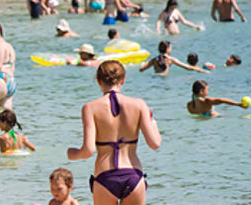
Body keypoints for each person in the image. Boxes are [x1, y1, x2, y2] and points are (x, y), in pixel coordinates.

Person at [67, 61, 161, 204]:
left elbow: (88, 150)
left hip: (105, 177)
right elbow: (155, 144)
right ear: (123, 80)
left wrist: (72, 153)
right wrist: (154, 125)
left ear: (98, 81)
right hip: (133, 175)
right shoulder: (139, 105)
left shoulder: (90, 108)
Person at [140, 41, 208, 75]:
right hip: (164, 79)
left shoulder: (154, 59)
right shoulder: (170, 59)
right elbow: (187, 67)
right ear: (168, 49)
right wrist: (202, 70)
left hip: (156, 77)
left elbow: (141, 69)